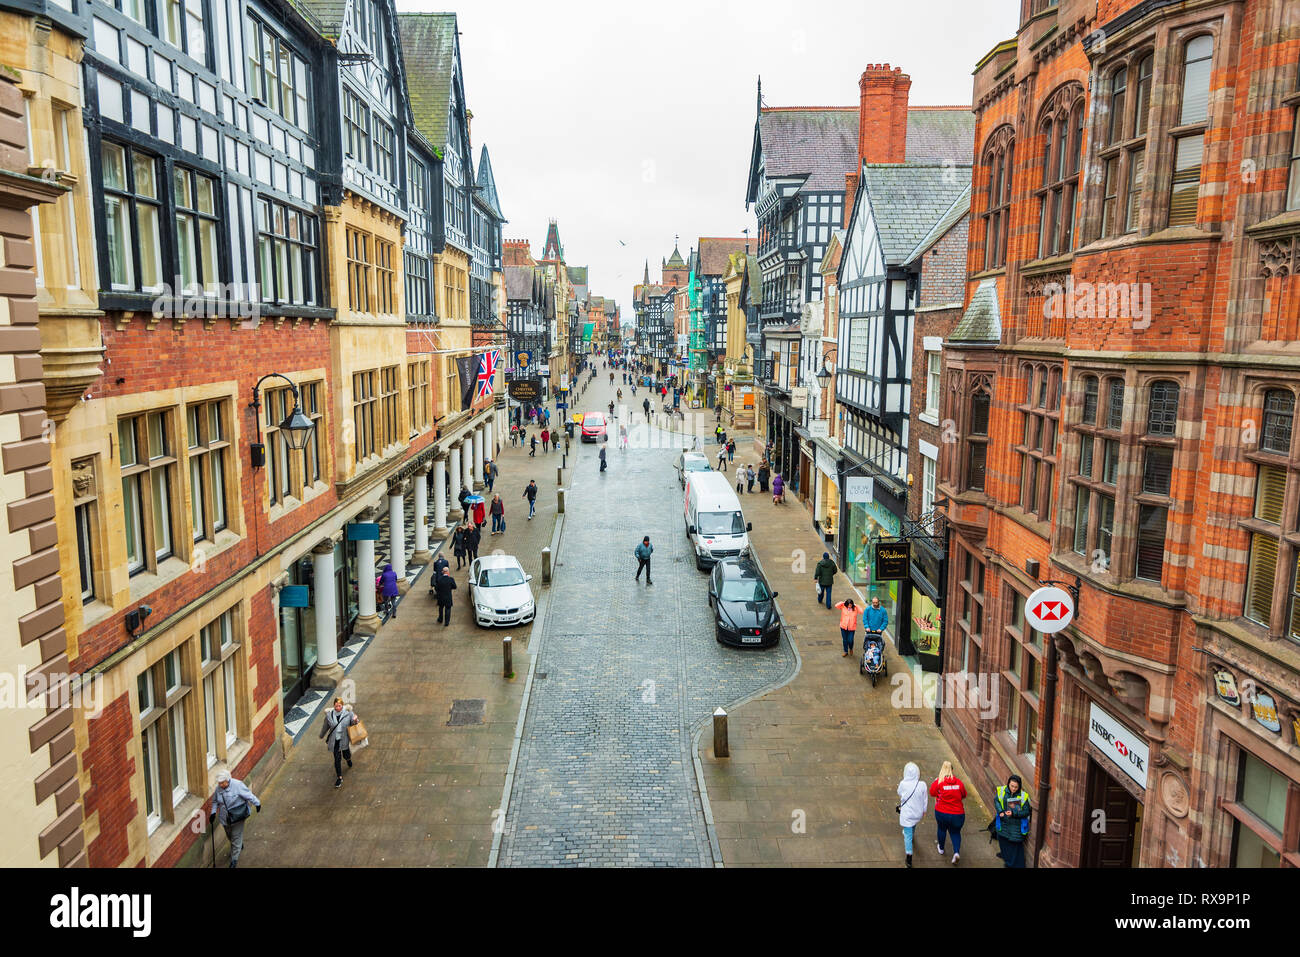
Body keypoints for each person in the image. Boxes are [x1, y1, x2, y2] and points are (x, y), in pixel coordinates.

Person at [209, 770, 261, 868]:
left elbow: (248, 795)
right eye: (219, 783)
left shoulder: (238, 785)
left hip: (238, 816)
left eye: (222, 782)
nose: (220, 785)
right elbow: (215, 801)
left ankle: (234, 860)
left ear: (227, 780)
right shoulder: (218, 789)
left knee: (236, 838)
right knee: (230, 836)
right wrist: (213, 813)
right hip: (225, 818)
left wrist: (257, 803)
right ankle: (239, 844)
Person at [930, 761, 968, 864]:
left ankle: (941, 848)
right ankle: (956, 852)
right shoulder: (959, 783)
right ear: (952, 770)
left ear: (942, 770)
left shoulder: (939, 782)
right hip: (958, 814)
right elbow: (964, 795)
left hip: (942, 813)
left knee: (942, 829)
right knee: (955, 833)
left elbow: (932, 793)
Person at [319, 697, 359, 789]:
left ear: (342, 705)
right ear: (334, 706)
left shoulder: (348, 713)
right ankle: (339, 778)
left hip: (344, 739)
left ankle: (348, 759)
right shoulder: (329, 715)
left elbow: (354, 723)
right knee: (337, 759)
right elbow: (325, 726)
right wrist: (321, 735)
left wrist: (356, 720)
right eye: (336, 706)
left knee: (346, 754)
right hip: (334, 741)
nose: (337, 708)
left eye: (339, 706)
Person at [993, 774, 1032, 867]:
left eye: (1016, 787)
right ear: (1008, 784)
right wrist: (1000, 811)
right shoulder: (1002, 791)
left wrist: (1014, 814)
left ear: (1019, 786)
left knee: (1015, 847)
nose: (1013, 789)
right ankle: (1008, 860)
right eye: (1012, 786)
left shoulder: (1023, 796)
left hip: (1016, 825)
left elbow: (1026, 812)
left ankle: (1013, 864)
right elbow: (997, 801)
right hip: (1003, 823)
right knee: (1003, 841)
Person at [897, 762, 929, 868]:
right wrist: (924, 810)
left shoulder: (903, 784)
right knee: (913, 823)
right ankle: (911, 832)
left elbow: (899, 792)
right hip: (917, 812)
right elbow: (925, 800)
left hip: (907, 814)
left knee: (907, 836)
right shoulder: (922, 785)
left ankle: (909, 857)